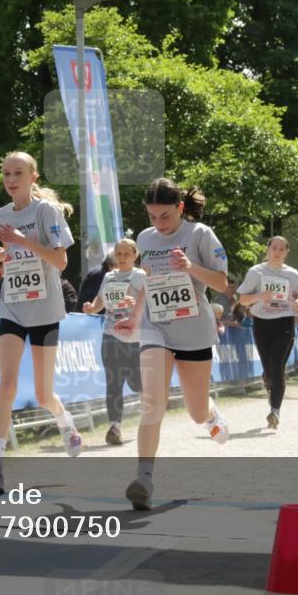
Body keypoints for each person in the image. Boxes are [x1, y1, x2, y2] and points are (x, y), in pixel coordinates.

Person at [115, 178, 230, 511]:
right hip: (156, 328)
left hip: (193, 330)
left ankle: (210, 415)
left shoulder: (199, 235)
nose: (158, 224)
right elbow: (150, 284)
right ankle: (144, 479)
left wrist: (191, 267)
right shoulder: (145, 239)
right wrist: (136, 319)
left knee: (194, 411)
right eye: (151, 216)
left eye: (164, 216)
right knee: (153, 402)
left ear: (180, 208)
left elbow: (223, 284)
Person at [0, 151, 82, 494]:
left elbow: (60, 260)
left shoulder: (45, 211)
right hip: (14, 307)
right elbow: (16, 252)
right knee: (6, 385)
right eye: (5, 173)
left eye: (18, 172)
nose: (10, 179)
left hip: (45, 310)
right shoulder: (3, 213)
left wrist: (20, 241)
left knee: (42, 393)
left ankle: (64, 421)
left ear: (34, 176)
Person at [237, 235, 298, 430]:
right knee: (269, 368)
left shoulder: (292, 273)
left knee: (277, 365)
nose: (277, 251)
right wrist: (259, 296)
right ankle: (269, 380)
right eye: (274, 247)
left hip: (284, 321)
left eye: (282, 249)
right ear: (267, 250)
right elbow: (242, 300)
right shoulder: (255, 272)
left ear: (287, 252)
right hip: (261, 322)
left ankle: (275, 411)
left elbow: (296, 296)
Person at [82, 238, 145, 446]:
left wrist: (134, 305)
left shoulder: (140, 276)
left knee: (136, 383)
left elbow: (147, 303)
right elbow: (101, 301)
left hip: (135, 338)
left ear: (135, 255)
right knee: (113, 383)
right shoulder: (109, 276)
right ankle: (115, 427)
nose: (122, 258)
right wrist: (92, 307)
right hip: (110, 335)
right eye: (118, 254)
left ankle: (146, 405)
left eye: (127, 254)